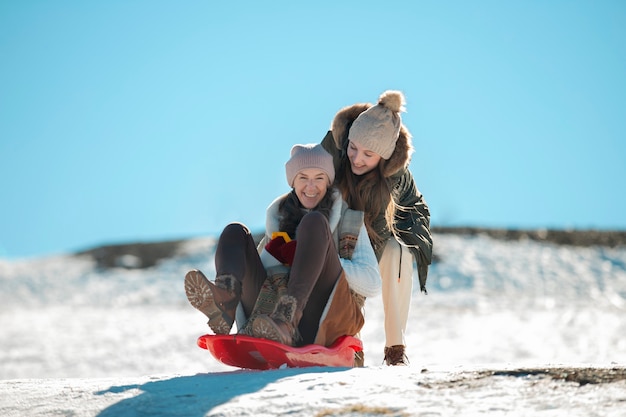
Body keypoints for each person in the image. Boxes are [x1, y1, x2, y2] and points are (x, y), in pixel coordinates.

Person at [184, 143, 381, 351]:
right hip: (270, 317)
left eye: (319, 178)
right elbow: (261, 278)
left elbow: (373, 283)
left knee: (314, 222)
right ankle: (225, 300)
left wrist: (317, 258)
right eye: (303, 178)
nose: (311, 186)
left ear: (328, 182)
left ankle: (287, 320)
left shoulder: (347, 221)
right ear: (293, 182)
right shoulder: (278, 219)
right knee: (235, 232)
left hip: (321, 318)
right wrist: (277, 257)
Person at [320, 90, 433, 366]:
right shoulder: (332, 154)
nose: (357, 158)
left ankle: (395, 349)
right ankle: (348, 346)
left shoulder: (396, 178)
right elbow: (305, 184)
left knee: (398, 252)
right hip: (334, 235)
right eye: (353, 148)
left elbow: (419, 213)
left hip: (378, 240)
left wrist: (404, 235)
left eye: (368, 154)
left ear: (383, 157)